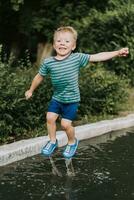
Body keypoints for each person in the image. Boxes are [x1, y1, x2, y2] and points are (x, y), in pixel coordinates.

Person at [25, 26, 129, 159]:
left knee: (65, 125)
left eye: (67, 41)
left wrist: (117, 52)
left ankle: (72, 142)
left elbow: (97, 56)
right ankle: (52, 141)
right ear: (54, 44)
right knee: (50, 118)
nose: (62, 43)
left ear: (73, 46)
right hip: (57, 98)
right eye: (59, 40)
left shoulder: (77, 58)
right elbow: (39, 76)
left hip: (72, 100)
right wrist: (30, 90)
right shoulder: (48, 62)